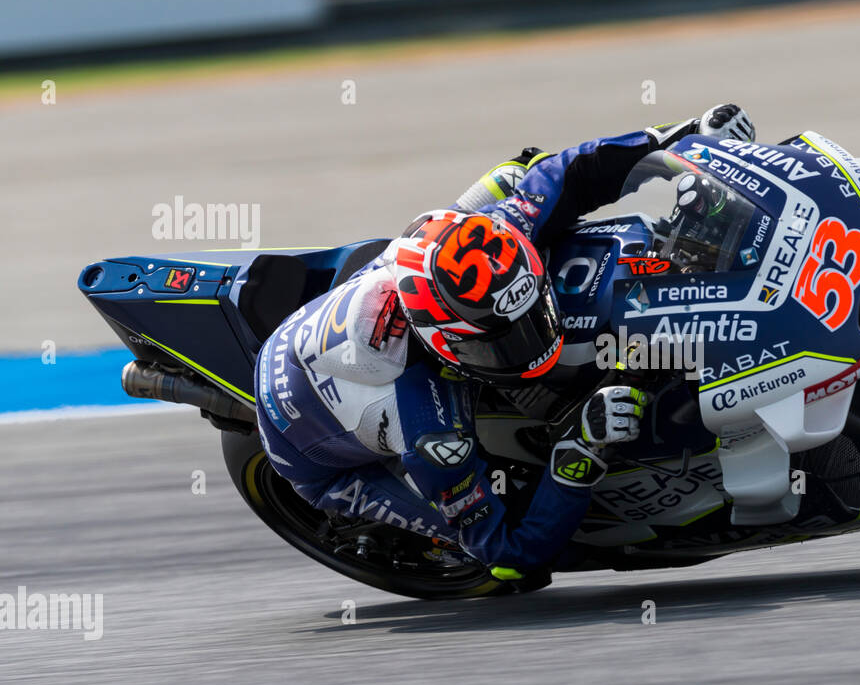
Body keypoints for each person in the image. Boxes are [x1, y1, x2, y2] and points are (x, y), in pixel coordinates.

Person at [254, 105, 757, 582]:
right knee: (510, 573)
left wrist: (682, 137)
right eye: (502, 341)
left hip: (376, 300)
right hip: (312, 453)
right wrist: (581, 449)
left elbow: (571, 170)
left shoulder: (501, 233)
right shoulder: (429, 428)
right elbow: (512, 556)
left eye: (530, 318)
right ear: (443, 342)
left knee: (516, 175)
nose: (531, 344)